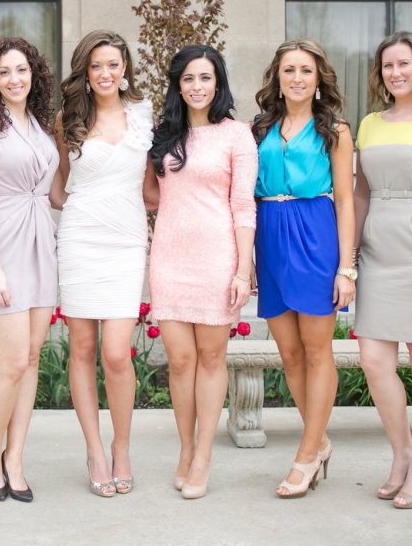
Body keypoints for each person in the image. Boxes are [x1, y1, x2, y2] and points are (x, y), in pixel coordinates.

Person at [144, 45, 257, 499]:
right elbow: (150, 195)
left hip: (217, 258)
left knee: (211, 359)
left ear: (218, 83)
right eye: (188, 78)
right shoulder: (162, 136)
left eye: (205, 77)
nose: (197, 86)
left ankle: (204, 456)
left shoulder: (237, 135)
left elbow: (243, 205)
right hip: (169, 258)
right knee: (180, 361)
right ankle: (185, 449)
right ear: (178, 84)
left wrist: (242, 269)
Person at [252, 39, 356, 498]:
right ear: (277, 77)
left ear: (318, 80)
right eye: (289, 70)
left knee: (317, 353)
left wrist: (346, 268)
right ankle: (320, 441)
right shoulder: (259, 128)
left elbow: (346, 201)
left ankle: (307, 454)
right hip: (270, 237)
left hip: (315, 236)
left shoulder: (334, 129)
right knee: (290, 354)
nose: (297, 78)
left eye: (306, 71)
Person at [52, 29, 152, 497]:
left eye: (113, 64)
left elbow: (152, 186)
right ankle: (94, 450)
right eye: (96, 65)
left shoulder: (144, 116)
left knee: (116, 352)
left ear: (125, 68)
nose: (106, 73)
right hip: (80, 237)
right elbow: (60, 186)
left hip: (126, 239)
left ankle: (122, 448)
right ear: (85, 72)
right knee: (82, 348)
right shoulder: (67, 119)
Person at [0, 37, 58, 503]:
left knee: (32, 358)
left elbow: (52, 190)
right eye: (4, 72)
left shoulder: (39, 124)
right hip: (1, 245)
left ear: (33, 74)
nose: (15, 79)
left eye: (22, 70)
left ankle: (15, 457)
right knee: (14, 360)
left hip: (41, 243)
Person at [354, 31, 412, 510]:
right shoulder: (369, 124)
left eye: (405, 63)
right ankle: (402, 454)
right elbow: (360, 192)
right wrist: (348, 255)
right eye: (389, 65)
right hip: (377, 251)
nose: (396, 73)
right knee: (374, 361)